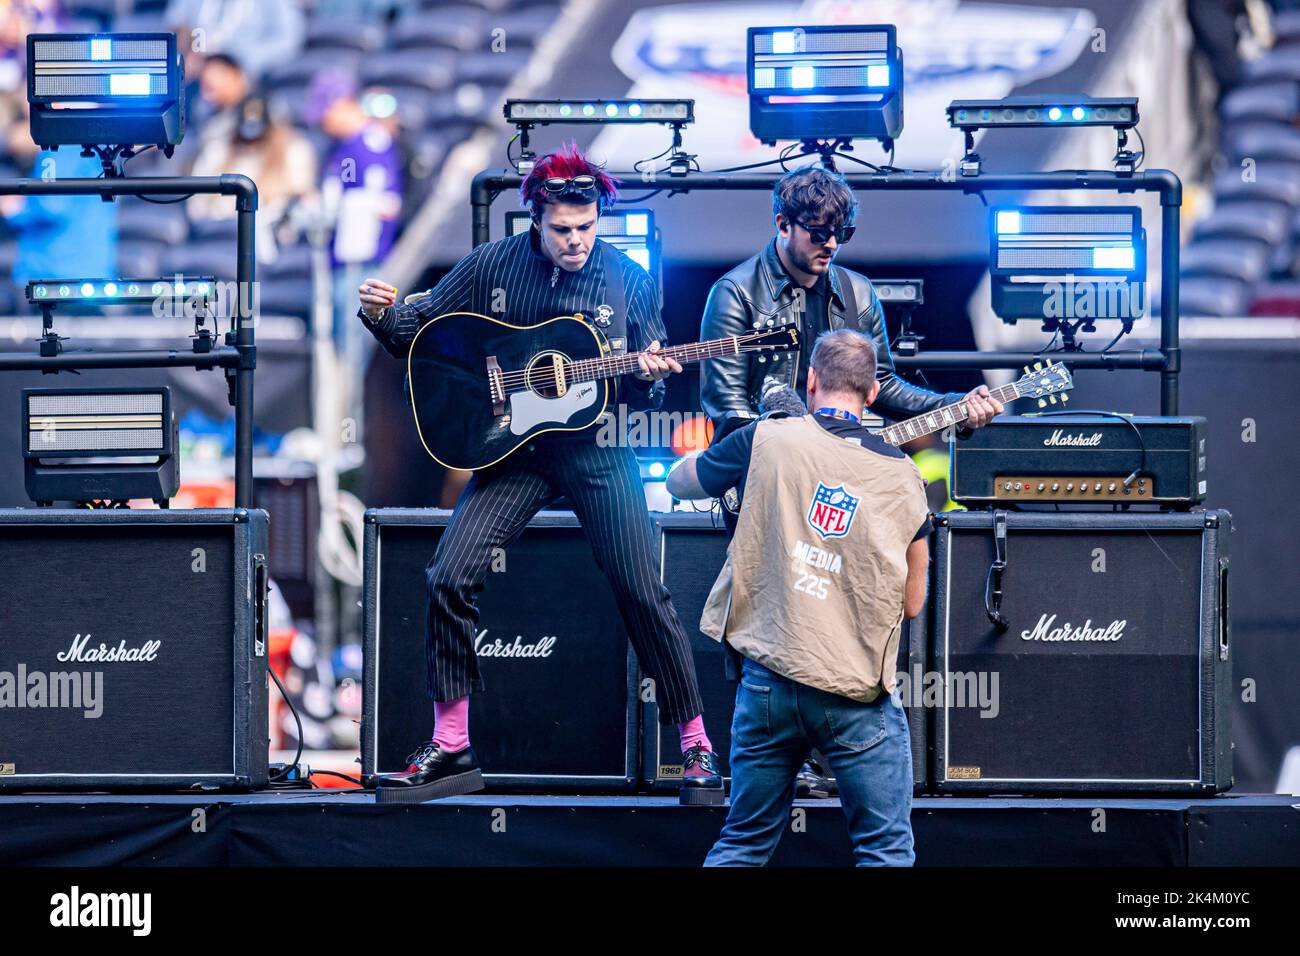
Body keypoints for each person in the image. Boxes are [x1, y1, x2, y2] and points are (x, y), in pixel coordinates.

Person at [356, 143, 722, 805]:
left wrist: (651, 379)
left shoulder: (628, 280)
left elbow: (652, 392)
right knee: (447, 574)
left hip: (597, 450)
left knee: (643, 589)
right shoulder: (492, 265)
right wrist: (380, 313)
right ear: (536, 218)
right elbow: (420, 334)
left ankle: (695, 746)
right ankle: (451, 746)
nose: (577, 241)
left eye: (587, 228)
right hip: (512, 453)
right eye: (563, 230)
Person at [697, 164, 1002, 796]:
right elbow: (726, 407)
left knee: (841, 605)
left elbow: (882, 385)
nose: (830, 244)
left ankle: (822, 754)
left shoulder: (858, 294)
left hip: (839, 479)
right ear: (782, 224)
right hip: (769, 474)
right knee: (769, 616)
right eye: (817, 232)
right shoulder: (734, 294)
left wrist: (952, 407)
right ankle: (767, 763)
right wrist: (798, 444)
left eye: (842, 232)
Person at [667, 329, 930, 866]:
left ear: (810, 382)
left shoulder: (768, 439)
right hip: (853, 690)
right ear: (873, 393)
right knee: (885, 851)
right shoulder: (905, 478)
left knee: (741, 843)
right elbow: (912, 602)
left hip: (767, 681)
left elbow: (679, 483)